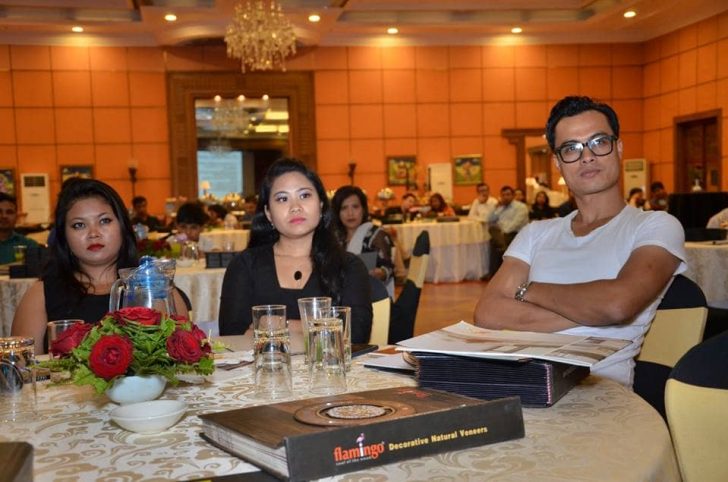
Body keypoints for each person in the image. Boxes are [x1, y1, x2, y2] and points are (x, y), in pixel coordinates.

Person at [474, 96, 686, 388]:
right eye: (571, 148)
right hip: (524, 383)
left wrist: (527, 291)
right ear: (558, 163)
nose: (587, 156)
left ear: (618, 148)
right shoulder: (536, 233)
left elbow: (617, 305)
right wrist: (592, 310)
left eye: (599, 142)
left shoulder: (655, 226)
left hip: (600, 392)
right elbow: (488, 313)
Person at [11, 179, 188, 353]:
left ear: (123, 226)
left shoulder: (156, 287)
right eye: (79, 225)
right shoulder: (41, 295)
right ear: (64, 236)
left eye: (104, 221)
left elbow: (185, 361)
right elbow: (22, 368)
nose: (93, 233)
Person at [218, 158, 373, 342]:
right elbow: (232, 336)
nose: (295, 207)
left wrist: (279, 325)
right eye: (282, 199)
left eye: (305, 195)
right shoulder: (245, 265)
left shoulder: (348, 266)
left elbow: (356, 333)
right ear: (268, 213)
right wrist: (325, 328)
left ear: (321, 205)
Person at [331, 186, 395, 295]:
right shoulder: (334, 237)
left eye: (355, 207)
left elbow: (389, 269)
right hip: (340, 294)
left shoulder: (376, 235)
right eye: (344, 208)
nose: (350, 213)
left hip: (372, 296)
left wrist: (380, 273)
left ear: (364, 209)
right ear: (337, 212)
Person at [487, 185, 529, 276]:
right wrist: (496, 208)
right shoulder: (501, 208)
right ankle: (502, 247)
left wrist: (503, 232)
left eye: (508, 194)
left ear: (513, 195)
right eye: (503, 195)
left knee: (495, 241)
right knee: (492, 230)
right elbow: (489, 219)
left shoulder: (521, 207)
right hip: (502, 234)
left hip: (515, 234)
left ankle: (494, 274)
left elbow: (516, 223)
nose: (505, 197)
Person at [0, 192, 38, 264]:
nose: (4, 216)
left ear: (16, 217)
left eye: (9, 212)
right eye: (0, 212)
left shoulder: (29, 245)